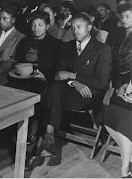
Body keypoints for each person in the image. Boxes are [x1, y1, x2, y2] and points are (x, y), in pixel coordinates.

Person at [27, 13, 111, 169]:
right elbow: (60, 74)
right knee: (53, 88)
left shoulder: (102, 49)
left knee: (50, 96)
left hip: (90, 94)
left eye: (79, 27)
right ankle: (49, 137)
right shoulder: (67, 46)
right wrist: (74, 82)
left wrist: (73, 76)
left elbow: (102, 82)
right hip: (71, 90)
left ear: (90, 28)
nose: (75, 31)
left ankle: (41, 146)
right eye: (72, 28)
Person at [5, 11, 62, 142]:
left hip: (43, 80)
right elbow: (17, 61)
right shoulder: (24, 41)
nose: (36, 28)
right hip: (22, 78)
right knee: (8, 92)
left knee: (31, 97)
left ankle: (30, 132)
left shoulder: (56, 44)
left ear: (47, 26)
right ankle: (11, 131)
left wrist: (44, 76)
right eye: (33, 25)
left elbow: (58, 68)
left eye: (40, 25)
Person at [97, 3, 132, 178]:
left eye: (128, 16)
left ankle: (125, 166)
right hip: (120, 80)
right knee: (108, 113)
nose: (124, 20)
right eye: (122, 16)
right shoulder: (118, 33)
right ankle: (128, 158)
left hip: (127, 81)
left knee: (122, 118)